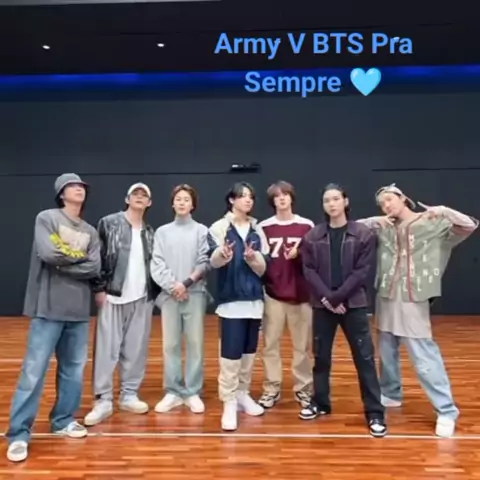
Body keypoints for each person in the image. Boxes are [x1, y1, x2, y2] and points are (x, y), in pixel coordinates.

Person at [359, 183, 478, 438]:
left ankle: (446, 410)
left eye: (389, 199)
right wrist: (376, 220)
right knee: (387, 350)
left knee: (423, 355)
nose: (386, 205)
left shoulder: (430, 223)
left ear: (403, 198)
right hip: (387, 295)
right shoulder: (384, 227)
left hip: (413, 297)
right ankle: (391, 393)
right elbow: (354, 228)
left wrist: (444, 210)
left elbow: (468, 225)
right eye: (382, 203)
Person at [6, 173, 101, 463]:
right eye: (73, 186)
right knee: (33, 372)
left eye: (82, 186)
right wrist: (77, 261)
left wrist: (64, 264)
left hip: (79, 311)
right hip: (47, 308)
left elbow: (94, 266)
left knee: (73, 371)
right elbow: (48, 253)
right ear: (61, 193)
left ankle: (63, 420)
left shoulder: (90, 231)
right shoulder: (47, 218)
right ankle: (19, 433)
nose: (79, 189)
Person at [298, 183, 387, 438]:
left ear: (345, 201)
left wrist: (338, 297)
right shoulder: (313, 236)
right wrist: (327, 297)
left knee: (364, 359)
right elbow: (309, 270)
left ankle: (375, 412)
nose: (332, 204)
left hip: (353, 304)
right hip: (323, 305)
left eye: (336, 199)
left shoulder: (363, 234)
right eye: (327, 200)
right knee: (321, 357)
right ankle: (321, 403)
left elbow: (362, 271)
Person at [84, 182, 159, 426]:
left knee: (136, 350)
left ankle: (129, 394)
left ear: (149, 203)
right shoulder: (108, 223)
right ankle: (103, 399)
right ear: (127, 199)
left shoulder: (150, 232)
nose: (139, 197)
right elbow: (97, 257)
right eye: (135, 193)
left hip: (141, 298)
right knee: (106, 350)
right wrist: (99, 288)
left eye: (144, 195)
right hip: (113, 296)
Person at [208, 182, 270, 431]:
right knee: (230, 356)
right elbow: (212, 262)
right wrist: (223, 254)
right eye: (242, 196)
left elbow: (264, 268)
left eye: (251, 197)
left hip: (254, 301)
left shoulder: (258, 229)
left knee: (248, 353)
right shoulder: (219, 227)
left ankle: (243, 394)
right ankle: (229, 401)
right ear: (231, 200)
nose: (248, 200)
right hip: (231, 302)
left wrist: (253, 259)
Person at [150, 184, 210, 414]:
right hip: (170, 295)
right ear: (172, 203)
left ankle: (192, 391)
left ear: (193, 204)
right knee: (171, 344)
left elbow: (204, 261)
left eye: (186, 199)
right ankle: (173, 391)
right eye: (178, 199)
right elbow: (157, 263)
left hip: (194, 294)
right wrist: (173, 286)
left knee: (195, 344)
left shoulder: (201, 231)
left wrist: (186, 283)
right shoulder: (162, 232)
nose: (182, 202)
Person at [257, 181, 314, 409]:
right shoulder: (264, 227)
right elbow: (260, 261)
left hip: (301, 295)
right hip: (273, 294)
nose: (281, 198)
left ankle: (303, 389)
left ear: (292, 197)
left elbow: (314, 259)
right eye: (277, 196)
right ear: (272, 201)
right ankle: (271, 389)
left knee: (302, 347)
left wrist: (299, 254)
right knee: (270, 345)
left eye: (285, 194)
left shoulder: (306, 225)